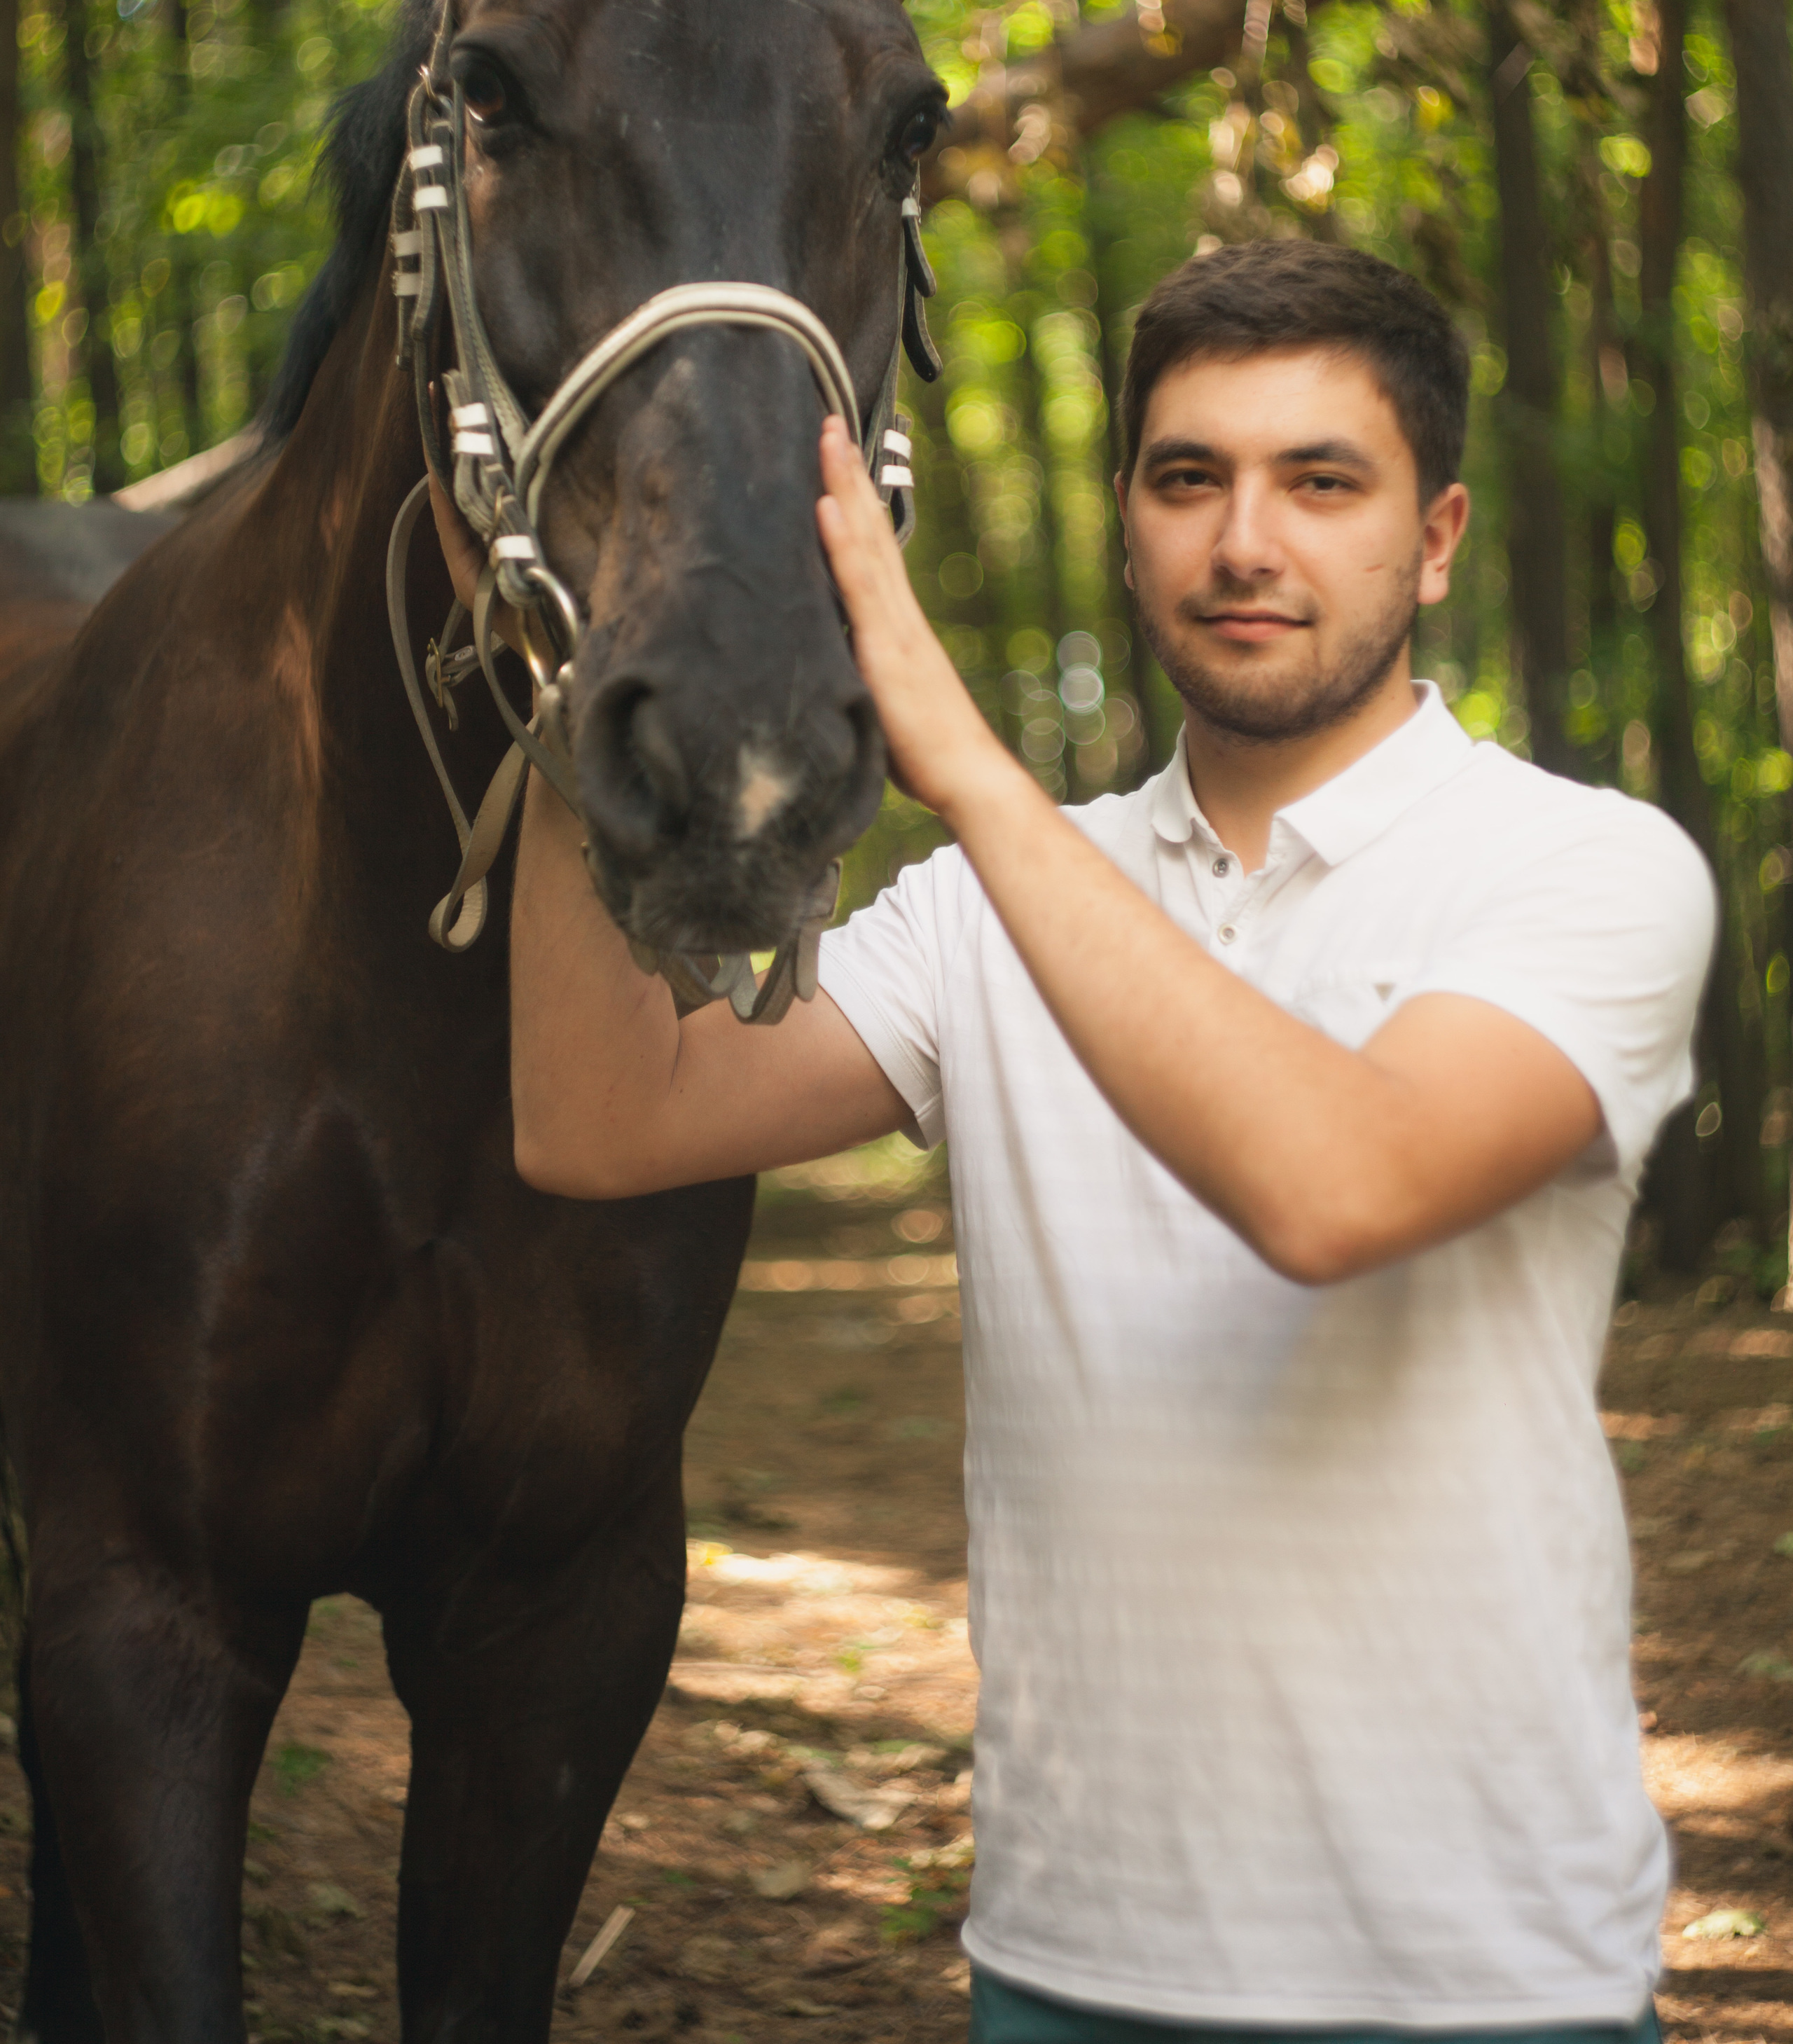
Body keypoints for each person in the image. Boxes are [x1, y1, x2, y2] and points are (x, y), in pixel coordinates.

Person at [443, 236, 1715, 2044]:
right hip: (1066, 1965)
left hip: (1479, 1973)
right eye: (1188, 479)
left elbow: (1336, 1188)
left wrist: (959, 750)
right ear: (1131, 525)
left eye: (1320, 483)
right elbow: (607, 1117)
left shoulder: (1588, 868)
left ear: (1432, 537)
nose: (1245, 543)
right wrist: (574, 656)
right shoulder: (993, 910)